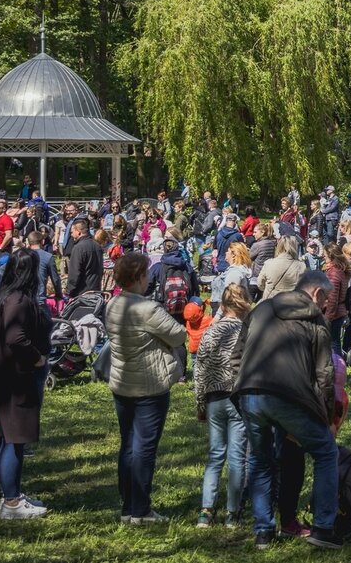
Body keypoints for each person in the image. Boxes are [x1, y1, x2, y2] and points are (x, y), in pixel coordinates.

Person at [232, 270, 341, 550]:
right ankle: (324, 527)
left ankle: (263, 531)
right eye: (326, 298)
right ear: (316, 293)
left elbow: (237, 354)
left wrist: (241, 386)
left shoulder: (262, 308)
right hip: (290, 396)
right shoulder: (316, 319)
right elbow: (325, 374)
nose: (328, 305)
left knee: (259, 460)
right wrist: (327, 416)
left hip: (250, 393)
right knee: (326, 452)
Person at [105, 252, 188, 524]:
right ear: (139, 277)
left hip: (122, 382)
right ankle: (140, 509)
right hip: (149, 385)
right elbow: (178, 334)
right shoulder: (147, 309)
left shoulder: (113, 304)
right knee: (144, 448)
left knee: (128, 444)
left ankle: (128, 506)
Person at [0, 250, 52, 519]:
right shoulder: (18, 300)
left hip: (2, 374)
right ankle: (12, 501)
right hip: (15, 376)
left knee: (7, 437)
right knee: (15, 438)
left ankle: (11, 492)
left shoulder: (2, 296)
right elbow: (16, 337)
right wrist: (37, 358)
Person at [193, 284, 250, 529]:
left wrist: (200, 402)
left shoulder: (211, 331)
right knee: (237, 457)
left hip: (214, 397)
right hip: (238, 399)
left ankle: (206, 510)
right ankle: (232, 512)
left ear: (223, 305)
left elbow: (200, 369)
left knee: (215, 455)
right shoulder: (247, 332)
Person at [257, 236, 307, 300]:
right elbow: (304, 287)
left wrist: (268, 288)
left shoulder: (268, 263)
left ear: (279, 246)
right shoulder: (301, 266)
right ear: (295, 247)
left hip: (270, 302)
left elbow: (260, 284)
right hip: (291, 303)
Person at [322, 243, 351, 352]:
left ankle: (337, 368)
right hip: (339, 311)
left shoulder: (333, 273)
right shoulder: (340, 270)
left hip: (334, 313)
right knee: (335, 342)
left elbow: (332, 298)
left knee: (333, 344)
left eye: (325, 255)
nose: (323, 256)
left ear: (331, 256)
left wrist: (327, 318)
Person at [66, 221, 104, 298]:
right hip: (96, 289)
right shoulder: (97, 246)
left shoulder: (78, 248)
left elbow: (74, 273)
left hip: (82, 292)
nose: (71, 234)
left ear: (78, 232)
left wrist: (69, 291)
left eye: (72, 232)